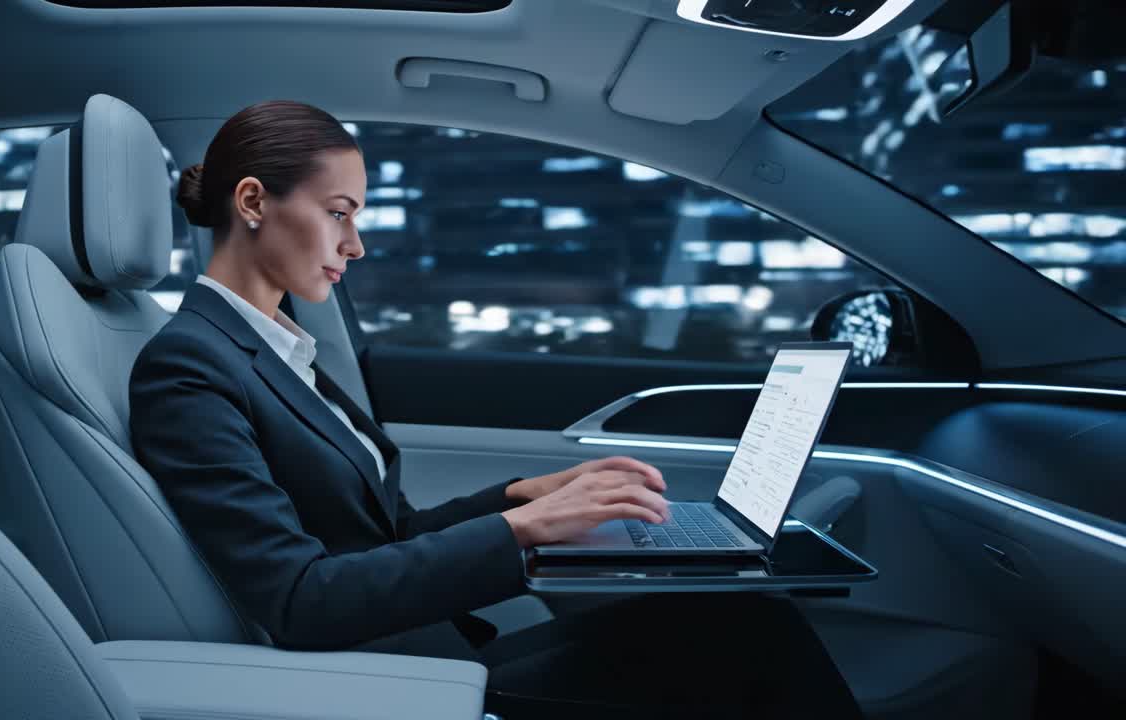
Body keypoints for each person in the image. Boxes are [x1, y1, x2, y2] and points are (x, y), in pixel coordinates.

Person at [129, 100, 862, 718]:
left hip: (424, 647)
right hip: (388, 684)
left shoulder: (275, 348)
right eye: (338, 213)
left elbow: (382, 534)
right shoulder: (189, 367)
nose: (355, 244)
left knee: (737, 615)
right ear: (253, 202)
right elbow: (297, 598)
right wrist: (520, 532)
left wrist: (523, 496)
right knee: (752, 632)